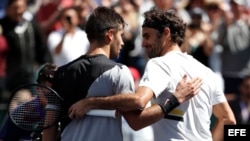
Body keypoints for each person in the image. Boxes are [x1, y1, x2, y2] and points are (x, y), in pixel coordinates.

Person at [68, 8, 236, 141]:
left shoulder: (159, 64)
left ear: (166, 34)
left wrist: (90, 103)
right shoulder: (206, 72)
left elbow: (138, 104)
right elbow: (229, 120)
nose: (143, 43)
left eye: (147, 36)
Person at [42, 6, 202, 141]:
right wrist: (174, 100)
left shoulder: (60, 73)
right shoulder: (119, 72)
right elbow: (136, 118)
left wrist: (90, 102)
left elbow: (48, 127)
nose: (123, 42)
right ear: (110, 35)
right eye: (120, 35)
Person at [0, 63, 58, 141]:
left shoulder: (66, 112)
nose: (52, 97)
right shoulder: (20, 113)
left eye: (56, 92)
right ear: (38, 89)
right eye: (48, 93)